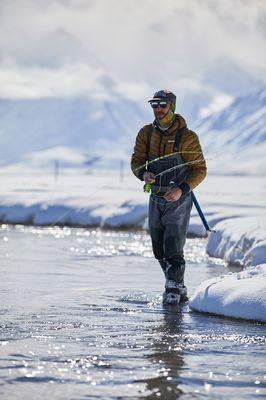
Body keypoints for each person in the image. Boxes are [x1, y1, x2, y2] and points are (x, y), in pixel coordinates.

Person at [131, 89, 207, 304]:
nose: (158, 109)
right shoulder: (145, 134)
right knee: (158, 249)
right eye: (154, 105)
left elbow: (199, 170)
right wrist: (142, 173)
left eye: (162, 105)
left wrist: (181, 189)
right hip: (155, 197)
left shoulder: (188, 137)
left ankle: (171, 294)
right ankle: (179, 288)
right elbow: (136, 161)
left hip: (179, 199)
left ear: (172, 107)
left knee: (173, 247)